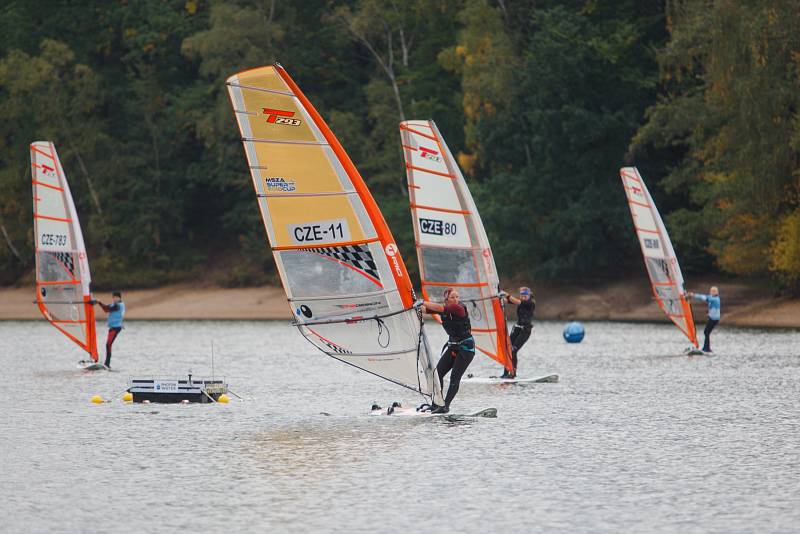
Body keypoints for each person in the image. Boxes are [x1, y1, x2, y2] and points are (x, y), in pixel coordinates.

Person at [421, 288, 475, 414]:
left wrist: (421, 301)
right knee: (437, 374)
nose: (456, 299)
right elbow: (425, 310)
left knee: (454, 378)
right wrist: (411, 305)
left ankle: (446, 406)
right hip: (453, 347)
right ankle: (437, 404)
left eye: (457, 297)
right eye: (452, 297)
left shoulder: (459, 308)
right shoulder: (444, 308)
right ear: (446, 299)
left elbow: (438, 308)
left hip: (466, 349)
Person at [499, 286, 535, 378]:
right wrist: (498, 296)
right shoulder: (520, 301)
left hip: (525, 330)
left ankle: (513, 373)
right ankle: (505, 373)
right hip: (517, 328)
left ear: (529, 296)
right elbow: (506, 301)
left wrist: (505, 293)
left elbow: (517, 302)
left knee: (513, 350)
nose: (523, 297)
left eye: (525, 296)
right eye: (522, 296)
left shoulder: (530, 303)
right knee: (507, 349)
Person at [94, 291, 125, 368]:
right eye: (114, 297)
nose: (115, 299)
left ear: (119, 298)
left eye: (116, 297)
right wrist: (98, 302)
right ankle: (107, 364)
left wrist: (99, 302)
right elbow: (106, 309)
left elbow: (110, 308)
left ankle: (107, 364)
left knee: (108, 344)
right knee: (108, 345)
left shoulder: (119, 305)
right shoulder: (113, 304)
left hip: (116, 327)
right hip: (112, 328)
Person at [687, 286, 720, 352]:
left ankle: (706, 348)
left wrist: (693, 295)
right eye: (711, 291)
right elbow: (706, 298)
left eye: (714, 291)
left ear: (717, 292)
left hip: (714, 319)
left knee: (706, 332)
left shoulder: (715, 299)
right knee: (706, 332)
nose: (712, 292)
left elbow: (704, 298)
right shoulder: (712, 297)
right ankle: (707, 348)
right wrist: (709, 313)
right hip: (713, 318)